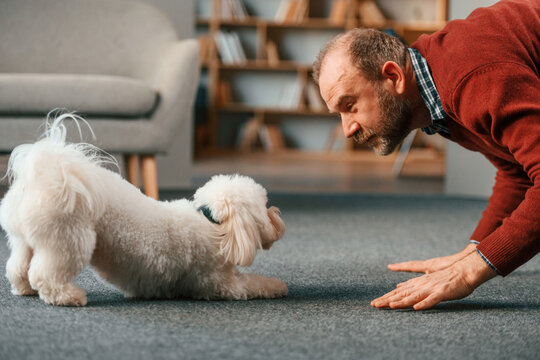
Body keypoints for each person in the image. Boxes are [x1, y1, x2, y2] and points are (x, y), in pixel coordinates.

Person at [312, 0, 540, 310]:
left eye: (349, 105)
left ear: (392, 77)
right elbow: (516, 170)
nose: (348, 129)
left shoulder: (471, 78)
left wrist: (469, 270)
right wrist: (474, 249)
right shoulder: (436, 99)